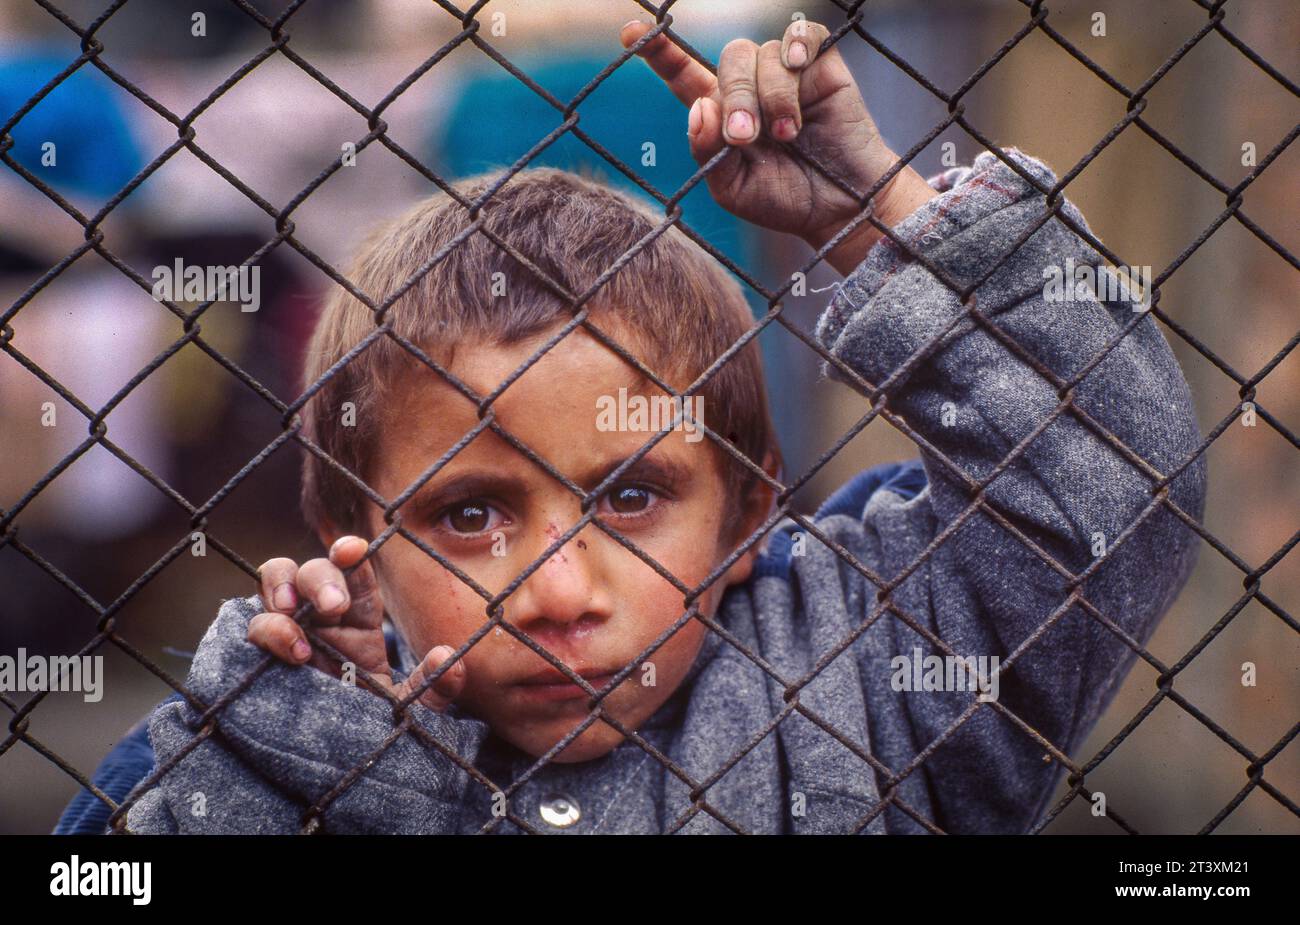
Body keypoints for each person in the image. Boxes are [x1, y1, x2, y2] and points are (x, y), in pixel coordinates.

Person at [61, 18, 1204, 835]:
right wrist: (309, 760)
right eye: (469, 514)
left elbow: (1107, 479)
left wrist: (877, 220)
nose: (560, 593)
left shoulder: (873, 671)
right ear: (349, 534)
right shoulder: (283, 717)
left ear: (752, 509)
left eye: (632, 495)